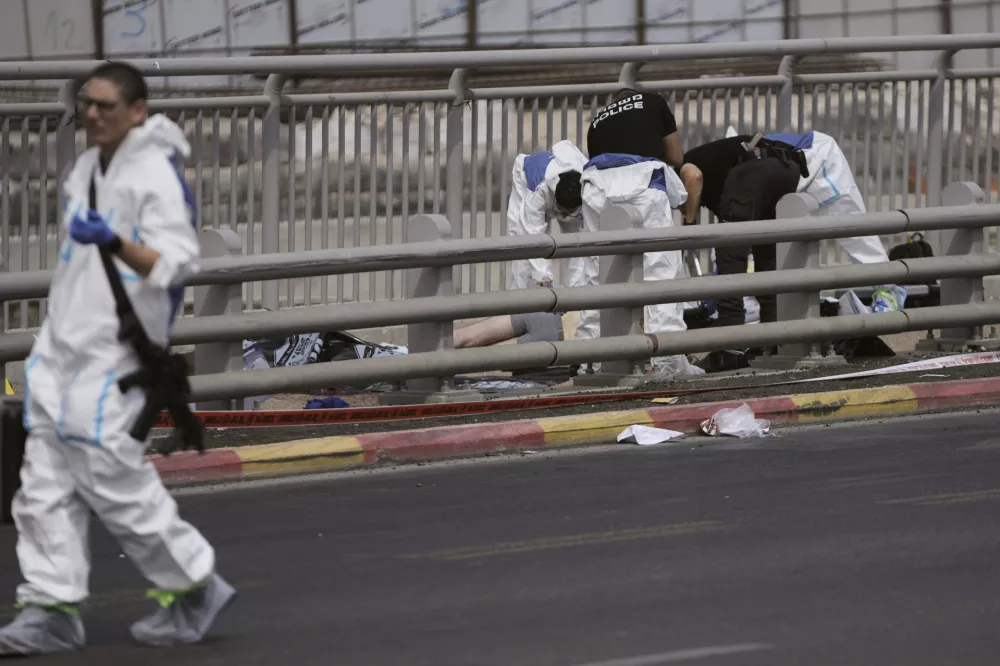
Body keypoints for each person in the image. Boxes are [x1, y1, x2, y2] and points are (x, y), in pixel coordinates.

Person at [0, 62, 236, 656]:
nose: (93, 113)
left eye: (106, 104)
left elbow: (176, 261)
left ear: (137, 110)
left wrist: (113, 241)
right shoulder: (87, 168)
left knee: (115, 483)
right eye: (87, 103)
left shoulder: (155, 175)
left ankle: (193, 585)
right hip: (65, 351)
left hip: (114, 358)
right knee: (41, 487)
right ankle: (50, 607)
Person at [678, 128, 892, 371]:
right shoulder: (719, 170)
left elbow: (692, 177)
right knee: (766, 256)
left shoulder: (680, 165)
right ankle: (774, 339)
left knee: (730, 256)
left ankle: (731, 347)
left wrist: (688, 221)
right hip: (785, 170)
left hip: (754, 172)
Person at [575, 153, 704, 377]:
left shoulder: (598, 127)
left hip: (595, 184)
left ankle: (592, 362)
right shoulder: (655, 124)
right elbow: (678, 190)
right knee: (661, 276)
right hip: (646, 184)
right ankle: (667, 361)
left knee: (598, 274)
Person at [506, 140, 588, 290]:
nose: (562, 216)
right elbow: (532, 236)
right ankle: (523, 298)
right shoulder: (538, 189)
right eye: (561, 210)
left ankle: (577, 292)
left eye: (568, 213)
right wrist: (544, 282)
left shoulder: (589, 188)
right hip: (526, 179)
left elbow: (583, 246)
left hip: (573, 194)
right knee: (519, 240)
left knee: (581, 242)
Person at [587, 88, 685, 169]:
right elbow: (676, 158)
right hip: (648, 180)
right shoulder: (654, 100)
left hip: (606, 186)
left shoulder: (595, 122)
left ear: (613, 103)